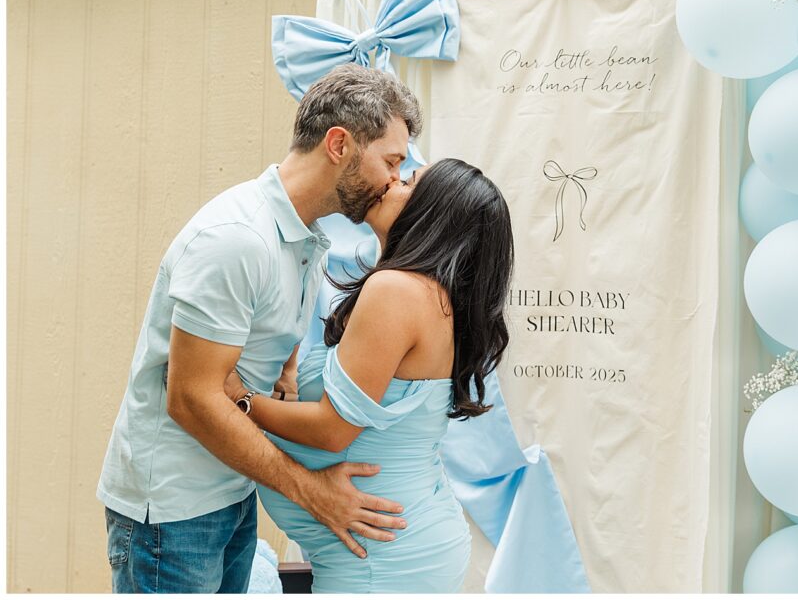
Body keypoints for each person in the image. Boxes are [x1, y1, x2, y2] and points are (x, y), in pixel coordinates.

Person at [97, 63, 421, 593]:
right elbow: (191, 399)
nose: (393, 180)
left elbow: (266, 339)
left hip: (232, 491)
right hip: (173, 514)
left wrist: (284, 373)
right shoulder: (237, 238)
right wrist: (313, 492)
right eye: (391, 161)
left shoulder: (307, 240)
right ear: (339, 144)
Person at [223, 157, 515, 592]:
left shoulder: (399, 290)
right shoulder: (430, 297)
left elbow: (332, 430)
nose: (391, 182)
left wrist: (240, 399)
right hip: (396, 544)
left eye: (408, 182)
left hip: (383, 560)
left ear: (433, 214)